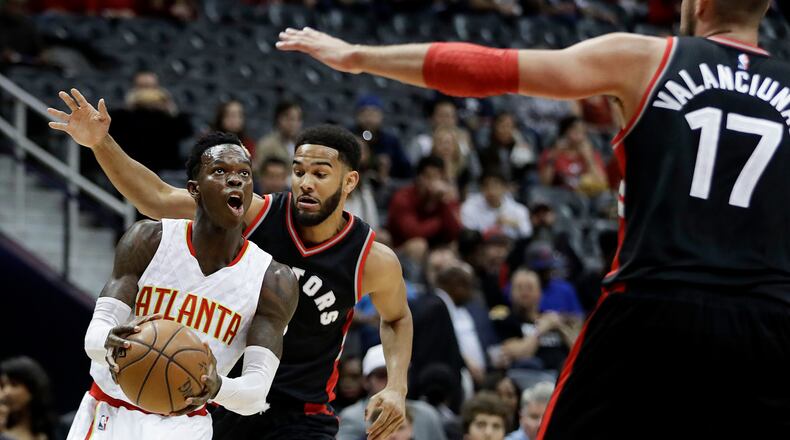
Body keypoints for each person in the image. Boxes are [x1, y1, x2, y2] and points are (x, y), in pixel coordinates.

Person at [276, 0, 790, 437]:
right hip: (769, 318)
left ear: (698, 3)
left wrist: (359, 56)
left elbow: (490, 67)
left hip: (653, 304)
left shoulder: (648, 58)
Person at [48, 91, 412, 440]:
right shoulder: (254, 211)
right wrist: (100, 143)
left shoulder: (370, 259)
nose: (305, 183)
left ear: (349, 181)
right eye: (299, 171)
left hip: (299, 407)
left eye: (320, 174)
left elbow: (396, 317)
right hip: (217, 390)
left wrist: (396, 386)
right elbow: (156, 197)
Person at [54, 118, 300, 438]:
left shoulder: (273, 280)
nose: (235, 179)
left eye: (244, 173)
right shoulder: (149, 240)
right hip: (110, 412)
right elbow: (94, 337)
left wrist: (217, 387)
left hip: (186, 425)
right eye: (220, 171)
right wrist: (110, 342)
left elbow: (255, 395)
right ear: (194, 189)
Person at [337, 345, 446, 440]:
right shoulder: (352, 417)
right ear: (366, 381)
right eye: (382, 375)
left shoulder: (427, 414)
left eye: (398, 374)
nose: (390, 381)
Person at [0, 357, 56, 440]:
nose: (6, 392)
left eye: (14, 384)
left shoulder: (55, 432)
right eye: (3, 386)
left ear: (33, 389)